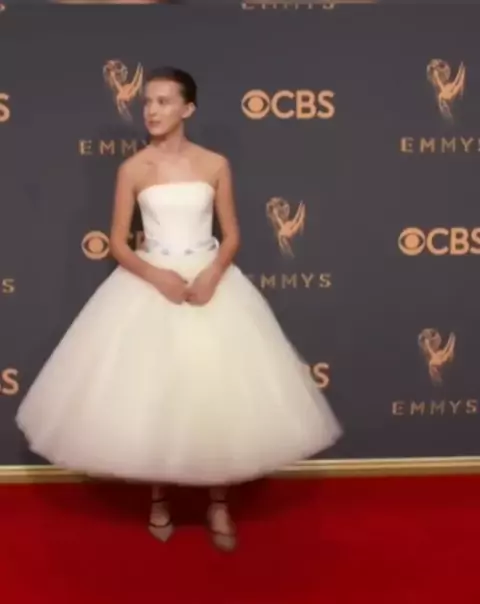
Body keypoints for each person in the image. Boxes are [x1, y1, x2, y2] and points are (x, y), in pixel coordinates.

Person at [16, 67, 342, 552]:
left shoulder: (215, 164)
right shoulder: (133, 169)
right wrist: (157, 276)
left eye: (164, 101)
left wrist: (212, 273)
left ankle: (218, 502)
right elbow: (117, 242)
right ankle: (158, 497)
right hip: (151, 284)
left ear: (188, 108)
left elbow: (232, 234)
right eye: (148, 101)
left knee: (216, 392)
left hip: (211, 284)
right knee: (154, 392)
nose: (152, 110)